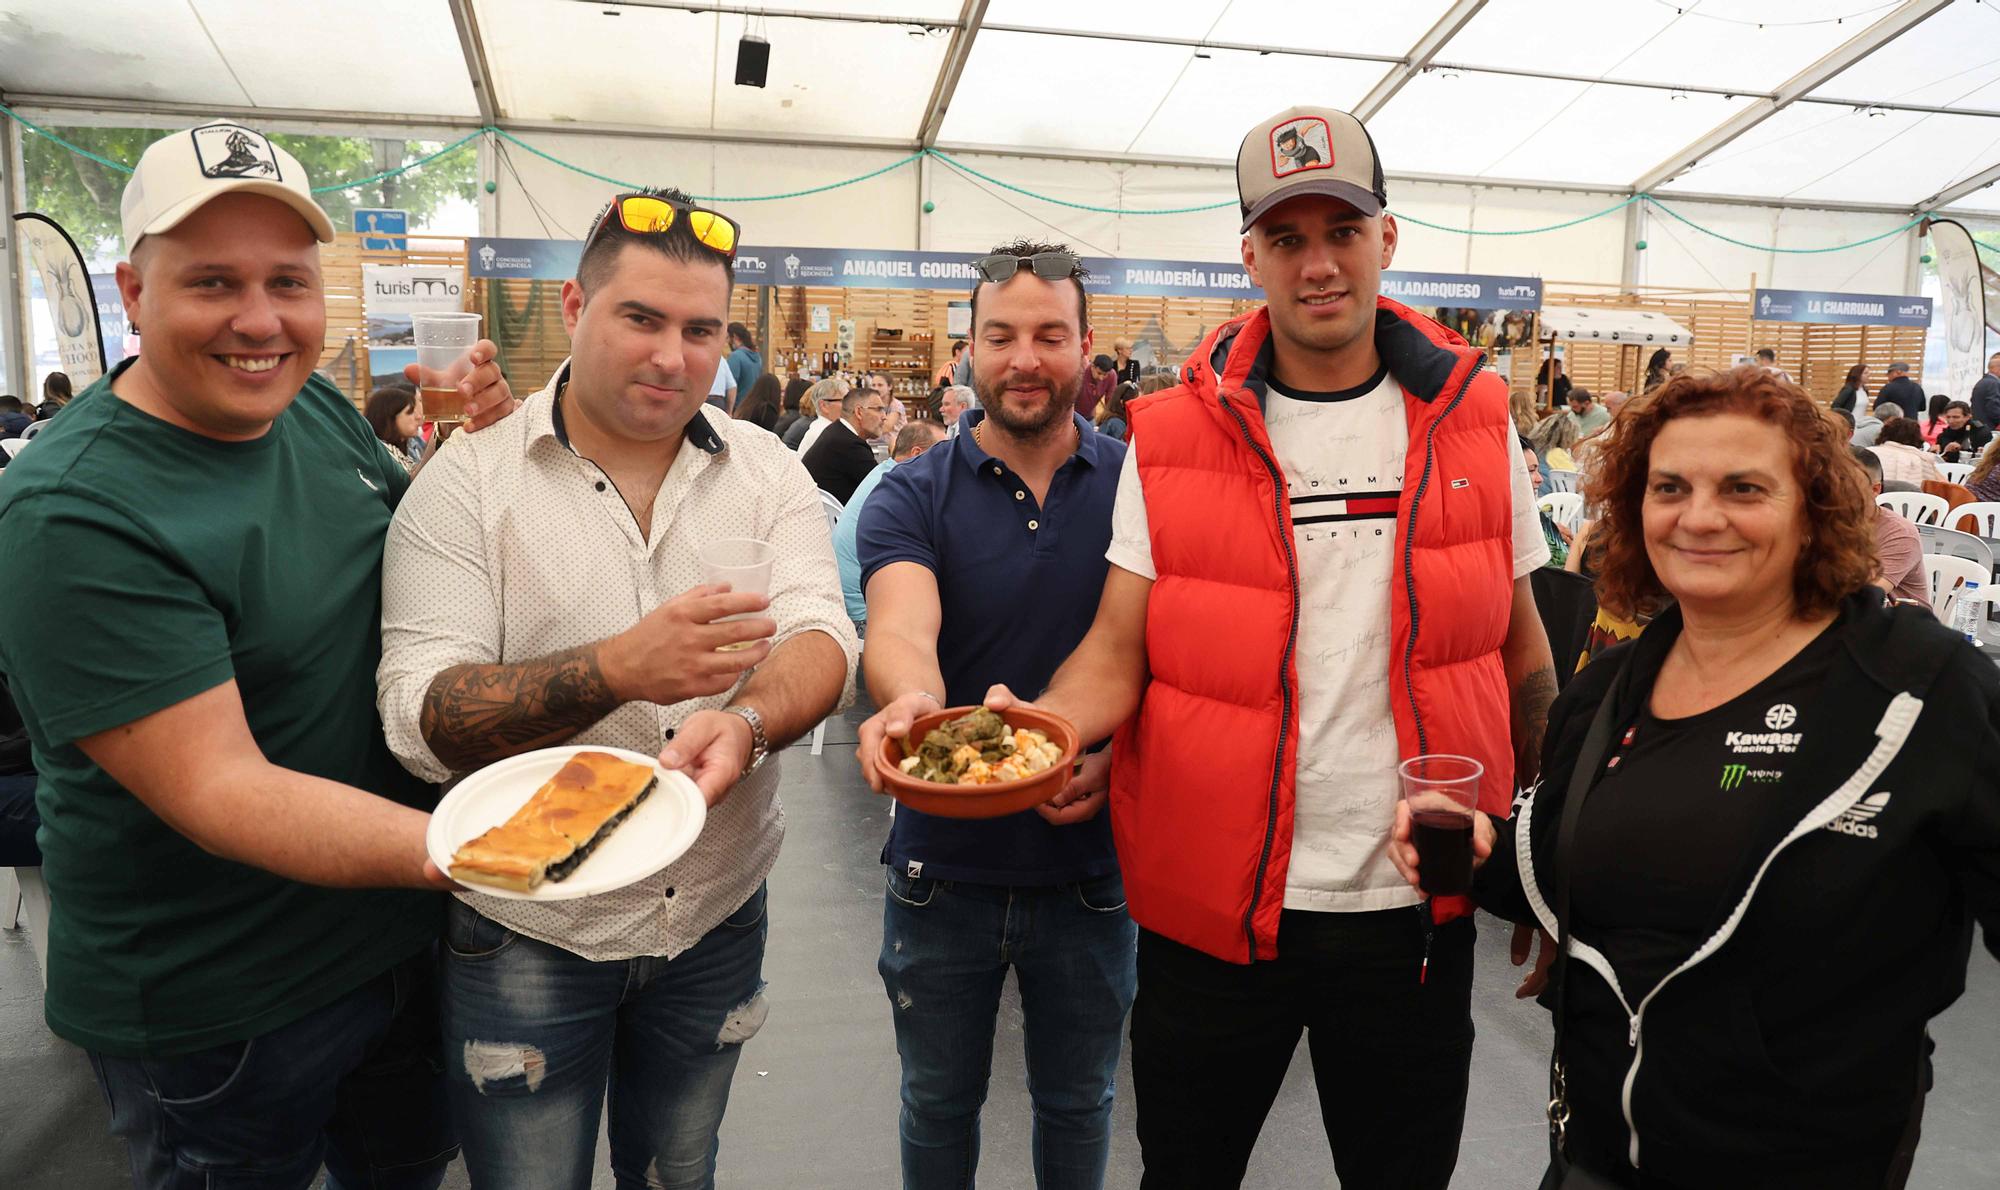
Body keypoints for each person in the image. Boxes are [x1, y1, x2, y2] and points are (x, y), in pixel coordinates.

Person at [982, 106, 1558, 1190]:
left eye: (1340, 229)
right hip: (1219, 893)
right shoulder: (1173, 431)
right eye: (1286, 238)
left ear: (1385, 238)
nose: (1318, 263)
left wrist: (1545, 851)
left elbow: (1520, 649)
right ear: (1249, 256)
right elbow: (1117, 647)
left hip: (1420, 887)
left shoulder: (1471, 414)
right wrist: (1042, 731)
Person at [0, 121, 517, 1190]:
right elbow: (223, 788)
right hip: (219, 1007)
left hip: (390, 948)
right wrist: (501, 847)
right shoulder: (71, 510)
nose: (259, 319)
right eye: (213, 282)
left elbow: (412, 560)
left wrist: (478, 457)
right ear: (135, 293)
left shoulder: (313, 409)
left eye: (288, 280)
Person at [1397, 365, 2000, 1187]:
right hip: (1592, 1157)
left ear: (1814, 510)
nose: (1700, 517)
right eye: (1669, 486)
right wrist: (1487, 851)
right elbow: (1583, 870)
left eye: (1745, 488)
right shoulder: (1607, 692)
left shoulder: (1921, 690)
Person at [377, 186, 858, 1190]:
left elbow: (822, 633)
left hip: (715, 911)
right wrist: (616, 669)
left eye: (700, 328)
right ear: (572, 306)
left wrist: (746, 719)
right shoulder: (465, 486)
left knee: (679, 1168)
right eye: (640, 318)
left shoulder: (765, 470)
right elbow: (420, 721)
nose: (671, 356)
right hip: (527, 924)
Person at [853, 239, 1135, 1190]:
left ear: (1086, 348)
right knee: (937, 1105)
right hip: (942, 871)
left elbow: (1154, 656)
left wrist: (1116, 756)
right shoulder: (911, 491)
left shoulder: (1143, 488)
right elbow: (899, 624)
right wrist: (917, 705)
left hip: (1093, 874)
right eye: (1002, 335)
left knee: (1080, 1101)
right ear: (967, 350)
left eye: (1051, 335)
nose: (1025, 359)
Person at [834, 419, 945, 630]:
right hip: (863, 616)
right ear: (916, 453)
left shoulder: (884, 473)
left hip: (846, 601)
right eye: (942, 453)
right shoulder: (899, 492)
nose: (948, 461)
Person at [1851, 445, 1930, 607]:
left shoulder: (1900, 533)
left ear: (1874, 489)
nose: (1835, 491)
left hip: (1899, 625)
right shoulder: (1822, 522)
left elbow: (1865, 596)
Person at [803, 372, 888, 503]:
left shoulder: (837, 432)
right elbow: (884, 489)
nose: (884, 417)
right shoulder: (849, 445)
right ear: (859, 412)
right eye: (878, 409)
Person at [365, 385, 423, 475]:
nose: (418, 417)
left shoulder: (407, 445)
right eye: (410, 412)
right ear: (390, 418)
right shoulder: (383, 454)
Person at [1872, 417, 1944, 487]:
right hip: (1911, 497)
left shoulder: (1869, 453)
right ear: (1916, 437)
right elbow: (1944, 486)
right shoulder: (1924, 460)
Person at [792, 376, 846, 454]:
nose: (849, 405)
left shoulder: (825, 428)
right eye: (844, 400)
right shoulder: (826, 433)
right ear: (824, 406)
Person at [725, 320, 763, 404]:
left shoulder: (736, 357)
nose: (727, 342)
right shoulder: (757, 357)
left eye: (727, 338)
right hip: (752, 406)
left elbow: (730, 386)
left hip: (738, 406)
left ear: (734, 337)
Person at [1077, 352, 1116, 419]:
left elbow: (1110, 400)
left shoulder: (1112, 375)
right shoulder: (1081, 374)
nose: (1101, 378)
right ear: (1092, 367)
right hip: (1073, 414)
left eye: (1105, 375)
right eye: (1099, 373)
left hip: (1089, 416)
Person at [1975, 351, 2000, 429]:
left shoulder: (1983, 382)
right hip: (1991, 429)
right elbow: (1993, 407)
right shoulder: (1993, 383)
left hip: (1981, 428)